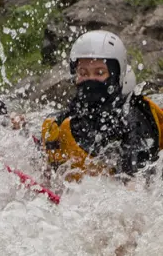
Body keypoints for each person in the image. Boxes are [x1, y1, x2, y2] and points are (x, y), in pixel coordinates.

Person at [40, 30, 163, 182]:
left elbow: (138, 186)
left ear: (115, 75)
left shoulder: (135, 120)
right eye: (83, 73)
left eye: (99, 72)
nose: (90, 80)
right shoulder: (62, 122)